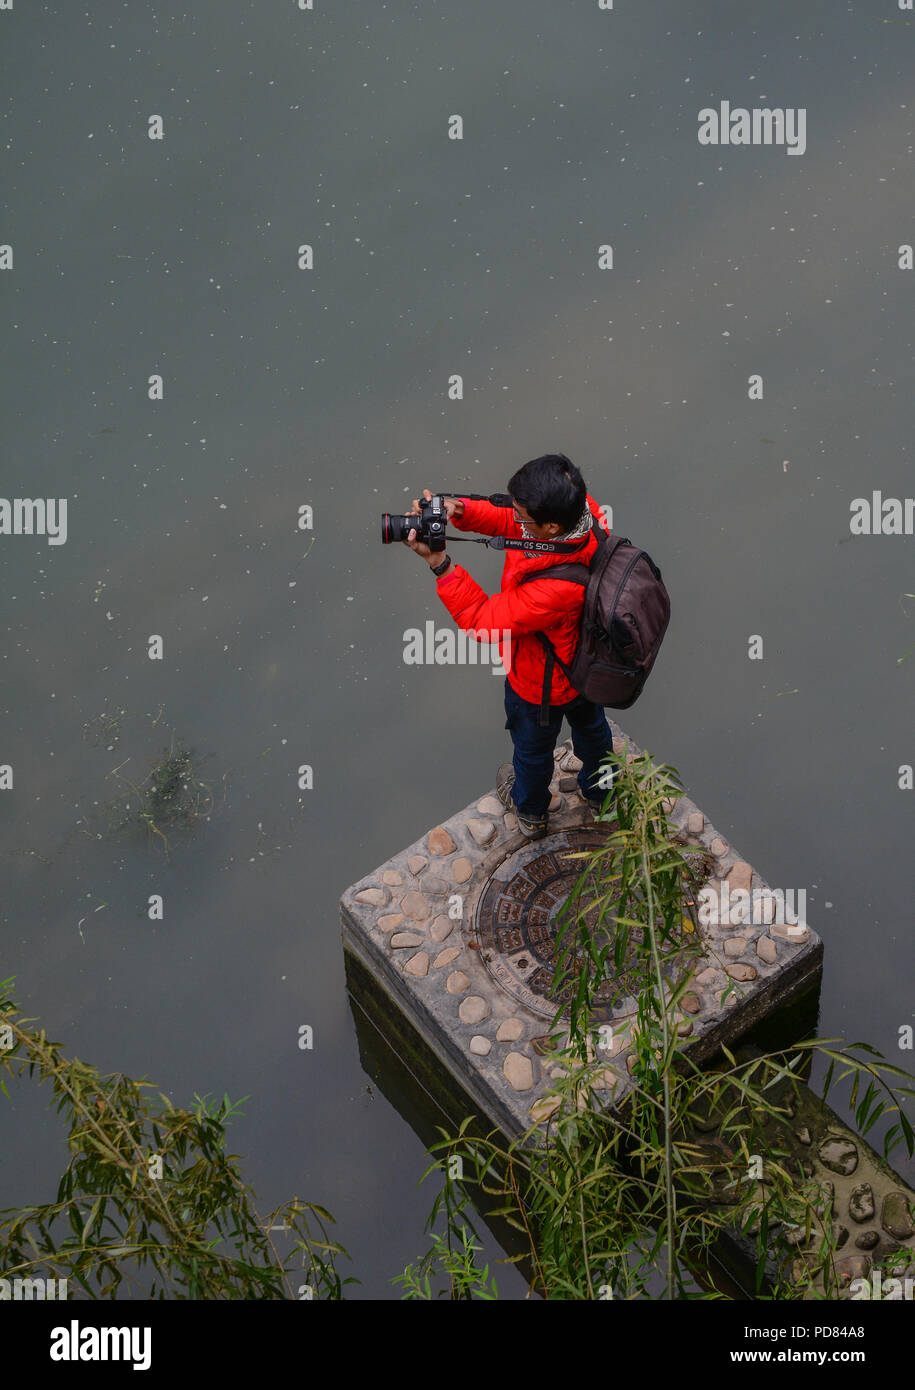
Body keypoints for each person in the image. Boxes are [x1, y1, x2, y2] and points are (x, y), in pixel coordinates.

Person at [403, 453, 617, 840]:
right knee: (593, 730)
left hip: (542, 685)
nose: (515, 518)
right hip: (588, 667)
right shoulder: (583, 511)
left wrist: (441, 565)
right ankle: (602, 792)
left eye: (524, 516)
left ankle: (532, 813)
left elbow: (483, 620)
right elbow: (510, 518)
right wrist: (460, 511)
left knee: (532, 752)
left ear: (549, 526)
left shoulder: (554, 590)